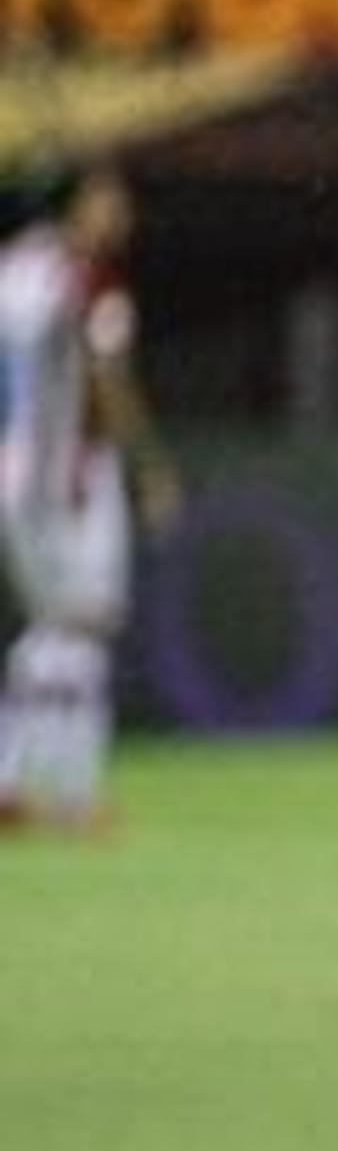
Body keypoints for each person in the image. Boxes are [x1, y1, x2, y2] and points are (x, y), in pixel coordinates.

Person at [0, 166, 177, 829]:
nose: (121, 211)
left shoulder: (12, 269)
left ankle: (11, 779)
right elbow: (107, 376)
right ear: (77, 205)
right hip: (71, 476)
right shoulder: (86, 278)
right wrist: (149, 466)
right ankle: (74, 794)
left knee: (49, 628)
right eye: (110, 198)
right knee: (86, 624)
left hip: (13, 474)